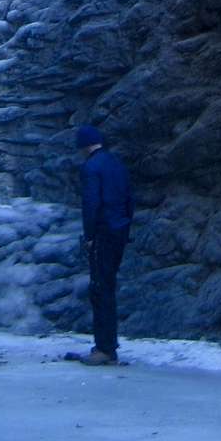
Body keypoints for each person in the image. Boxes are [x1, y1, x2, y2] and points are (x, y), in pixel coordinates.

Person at [75, 124, 133, 365]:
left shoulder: (91, 167)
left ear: (84, 146)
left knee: (100, 288)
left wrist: (89, 236)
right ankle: (109, 344)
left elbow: (91, 204)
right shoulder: (117, 164)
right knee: (108, 284)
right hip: (119, 230)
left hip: (102, 232)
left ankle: (104, 347)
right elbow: (129, 199)